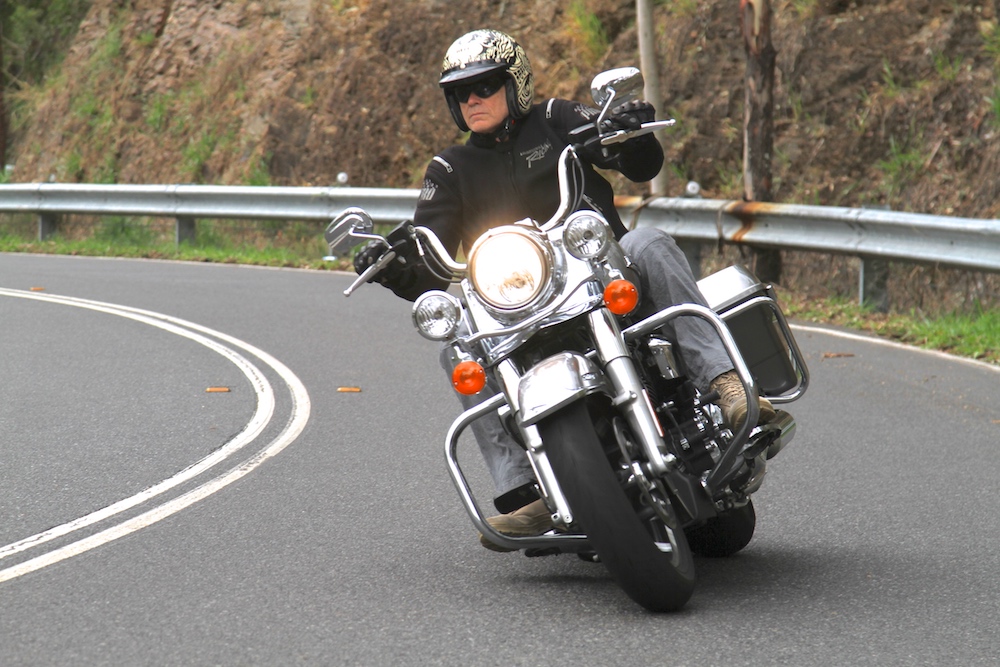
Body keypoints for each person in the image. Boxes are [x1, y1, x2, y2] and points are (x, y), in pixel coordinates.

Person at [355, 29, 774, 550]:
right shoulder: (450, 168)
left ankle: (726, 384)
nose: (472, 99)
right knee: (457, 340)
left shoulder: (555, 119)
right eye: (460, 92)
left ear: (516, 84)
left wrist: (630, 133)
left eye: (484, 86)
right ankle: (523, 489)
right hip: (518, 306)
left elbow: (630, 160)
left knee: (649, 240)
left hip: (602, 275)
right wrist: (393, 267)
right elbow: (433, 267)